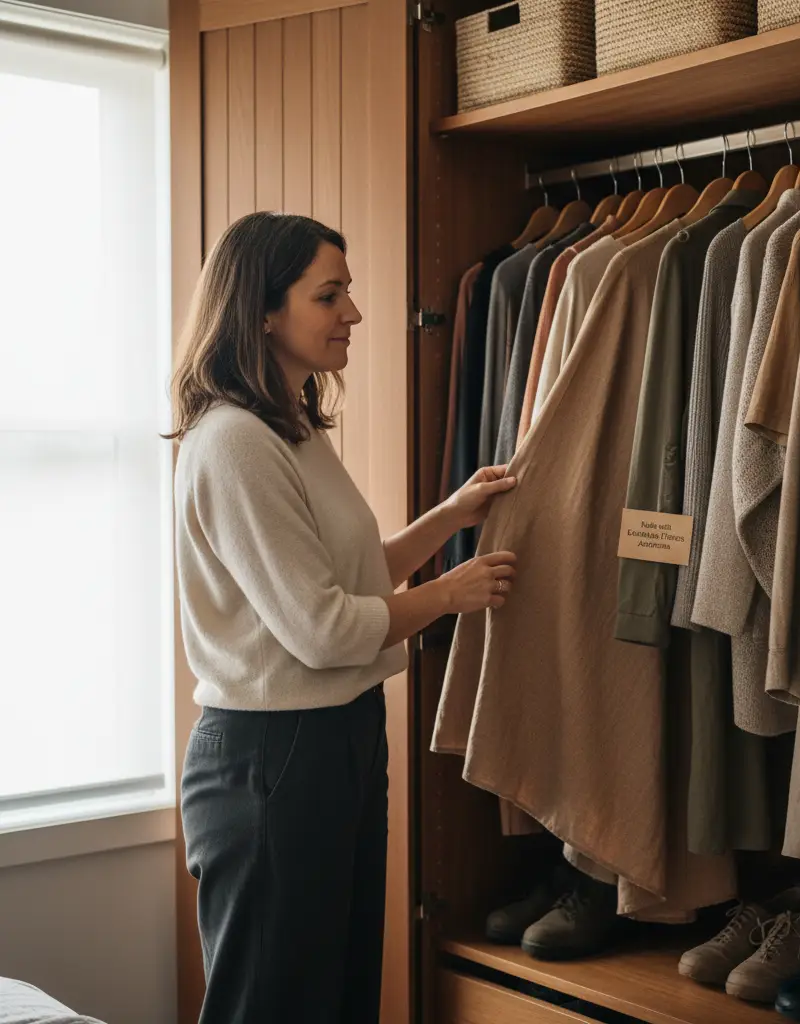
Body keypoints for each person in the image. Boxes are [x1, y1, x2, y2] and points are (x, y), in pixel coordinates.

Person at [167, 211, 517, 1024]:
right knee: (276, 1004)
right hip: (273, 754)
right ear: (261, 310)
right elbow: (320, 627)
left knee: (341, 996)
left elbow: (346, 577)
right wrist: (448, 596)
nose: (354, 314)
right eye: (331, 296)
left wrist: (452, 515)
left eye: (348, 293)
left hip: (337, 736)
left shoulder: (289, 427)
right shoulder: (233, 443)